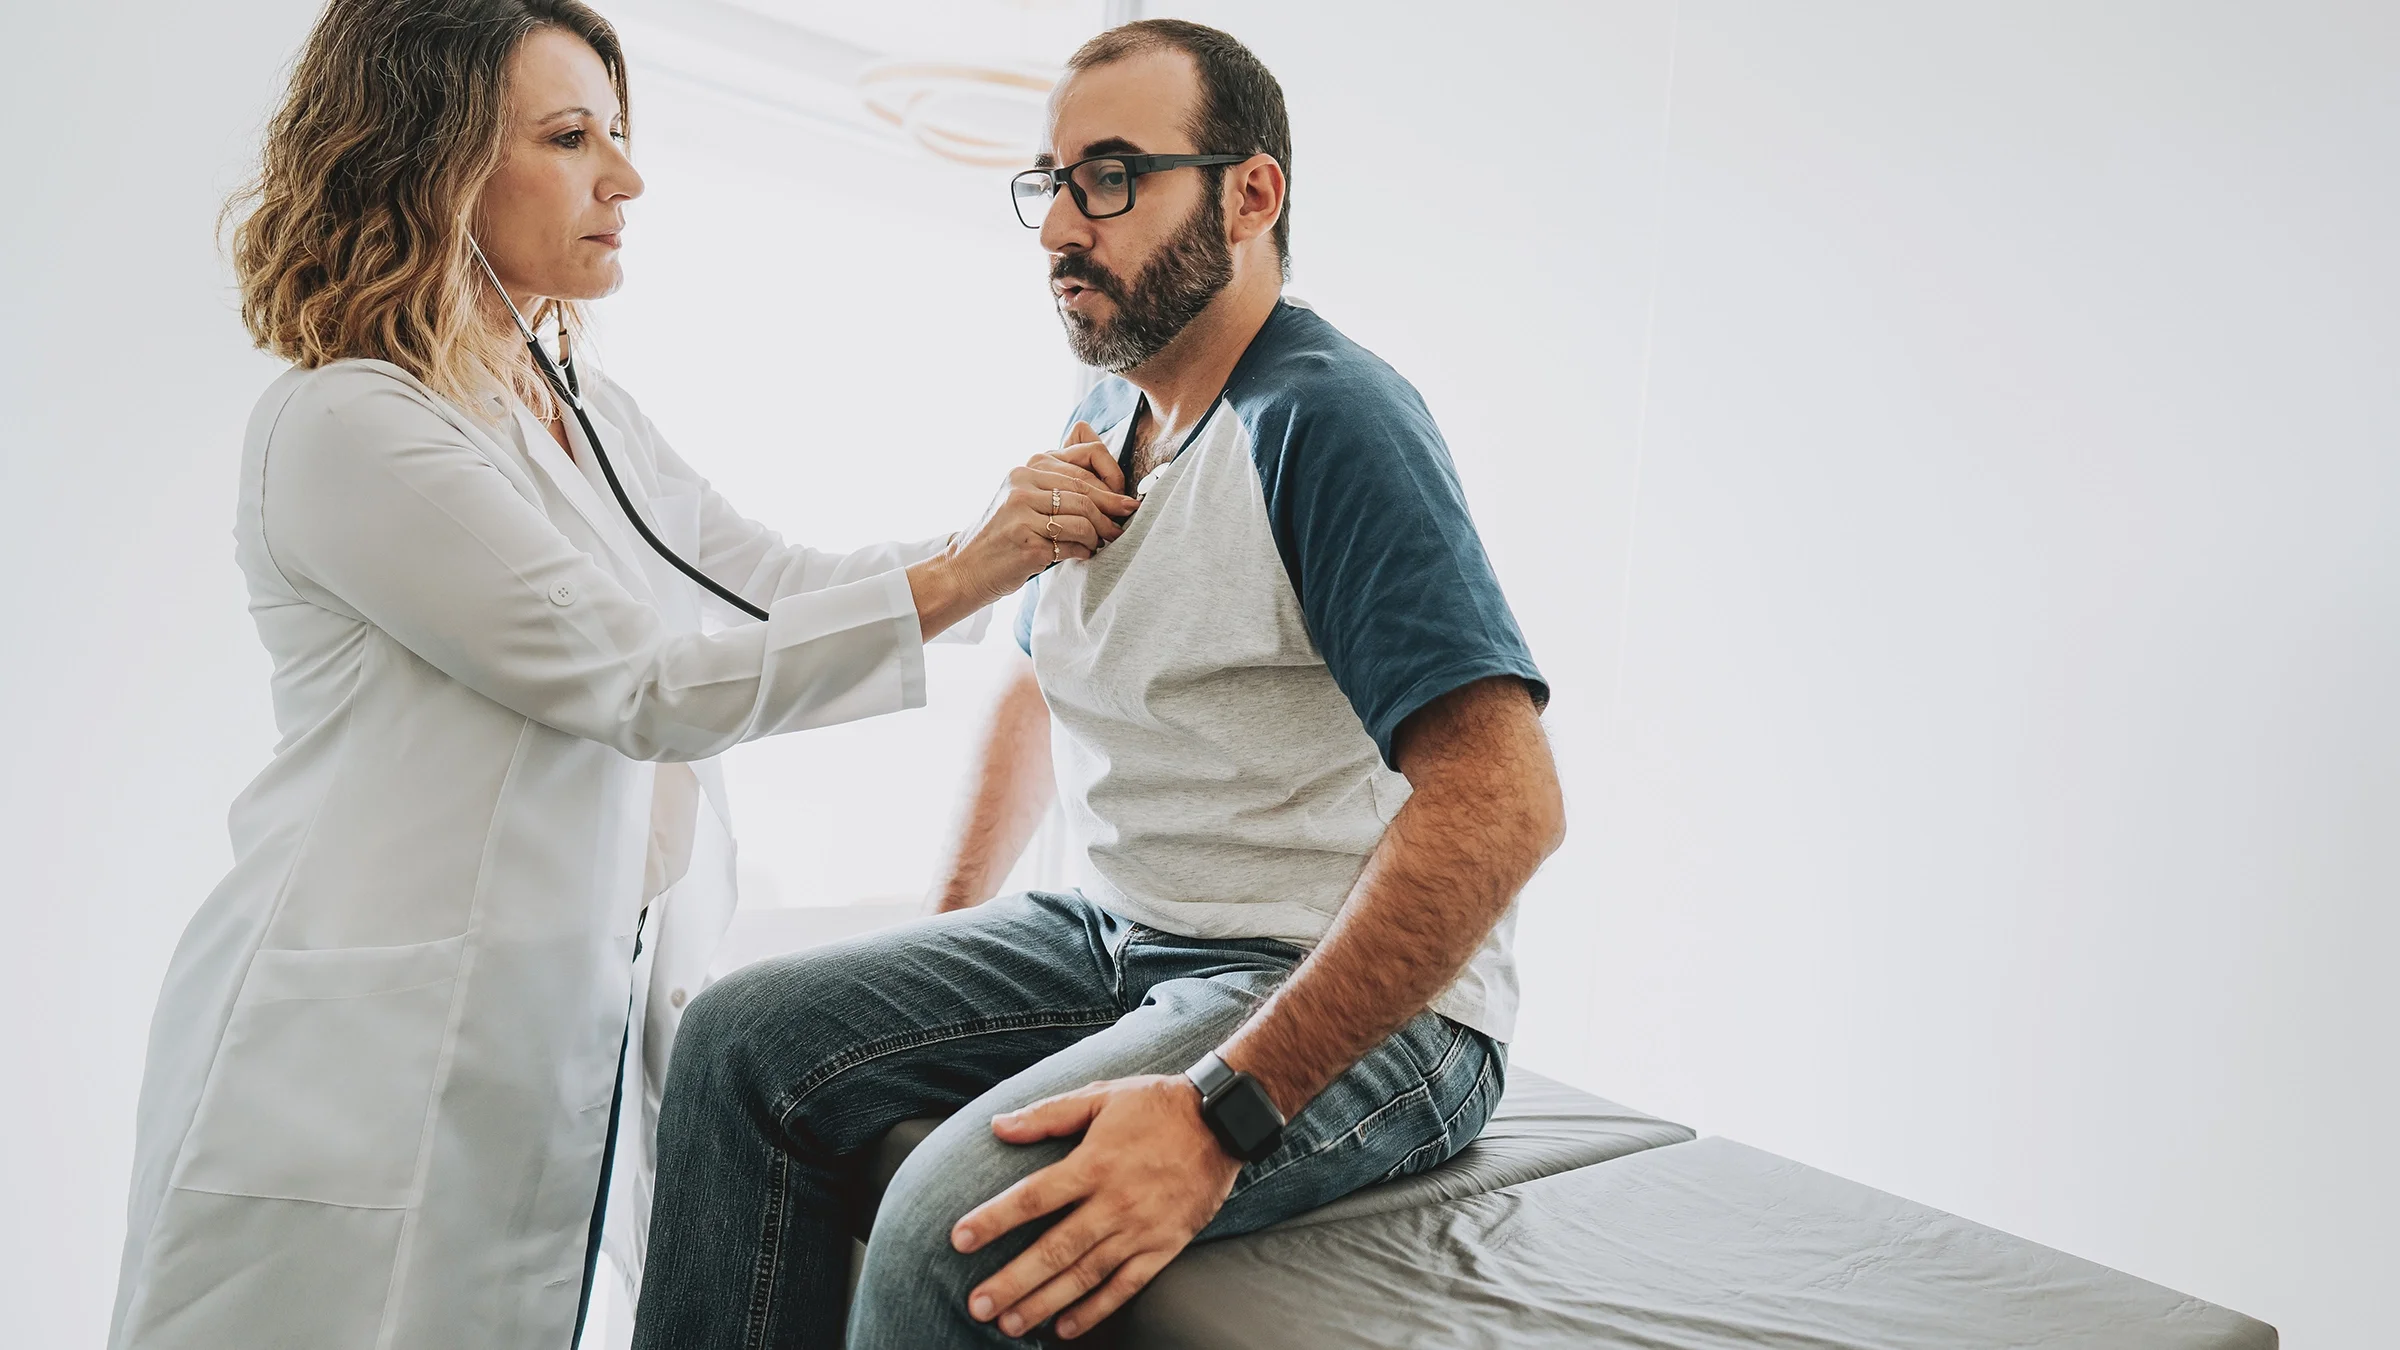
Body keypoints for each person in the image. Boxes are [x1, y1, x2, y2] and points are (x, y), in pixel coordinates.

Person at [105, 4, 1136, 1348]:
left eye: (619, 134)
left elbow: (771, 580)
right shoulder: (348, 423)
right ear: (434, 163)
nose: (626, 177)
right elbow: (642, 681)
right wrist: (977, 567)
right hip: (351, 1071)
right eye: (570, 136)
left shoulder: (576, 407)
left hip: (533, 1047)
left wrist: (1009, 538)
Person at [634, 19, 1564, 1349]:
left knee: (948, 1226)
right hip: (1115, 938)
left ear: (1252, 193)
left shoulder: (1328, 420)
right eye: (1054, 182)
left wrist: (1223, 1111)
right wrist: (935, 942)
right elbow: (1031, 689)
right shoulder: (1098, 417)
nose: (1065, 223)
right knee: (736, 1042)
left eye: (1114, 175)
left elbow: (1504, 805)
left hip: (1341, 992)